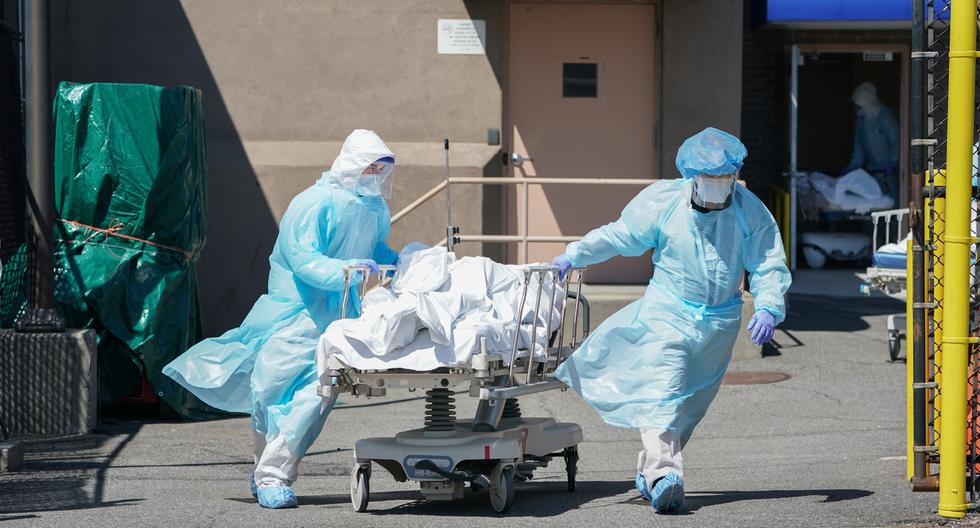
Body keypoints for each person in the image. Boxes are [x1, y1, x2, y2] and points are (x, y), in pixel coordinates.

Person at [550, 127, 791, 513]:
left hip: (720, 322)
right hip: (669, 312)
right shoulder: (664, 202)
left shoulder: (748, 209)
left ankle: (650, 471)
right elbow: (622, 235)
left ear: (733, 177)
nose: (716, 187)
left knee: (691, 405)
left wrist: (768, 305)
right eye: (708, 179)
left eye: (723, 179)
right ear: (691, 176)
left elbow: (767, 262)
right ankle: (666, 474)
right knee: (664, 391)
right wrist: (576, 254)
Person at [163, 129, 402, 509]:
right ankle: (264, 470)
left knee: (314, 398)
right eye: (370, 165)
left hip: (337, 320)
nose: (375, 174)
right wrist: (345, 269)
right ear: (353, 163)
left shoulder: (374, 209)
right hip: (294, 315)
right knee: (268, 392)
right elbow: (302, 257)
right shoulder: (315, 202)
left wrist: (393, 259)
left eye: (381, 168)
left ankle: (274, 475)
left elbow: (373, 249)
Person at [842, 82, 900, 202]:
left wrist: (893, 162)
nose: (856, 109)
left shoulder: (885, 116)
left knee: (891, 202)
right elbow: (859, 150)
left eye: (858, 105)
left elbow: (896, 142)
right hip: (873, 171)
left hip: (890, 172)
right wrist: (852, 167)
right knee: (874, 202)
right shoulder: (862, 120)